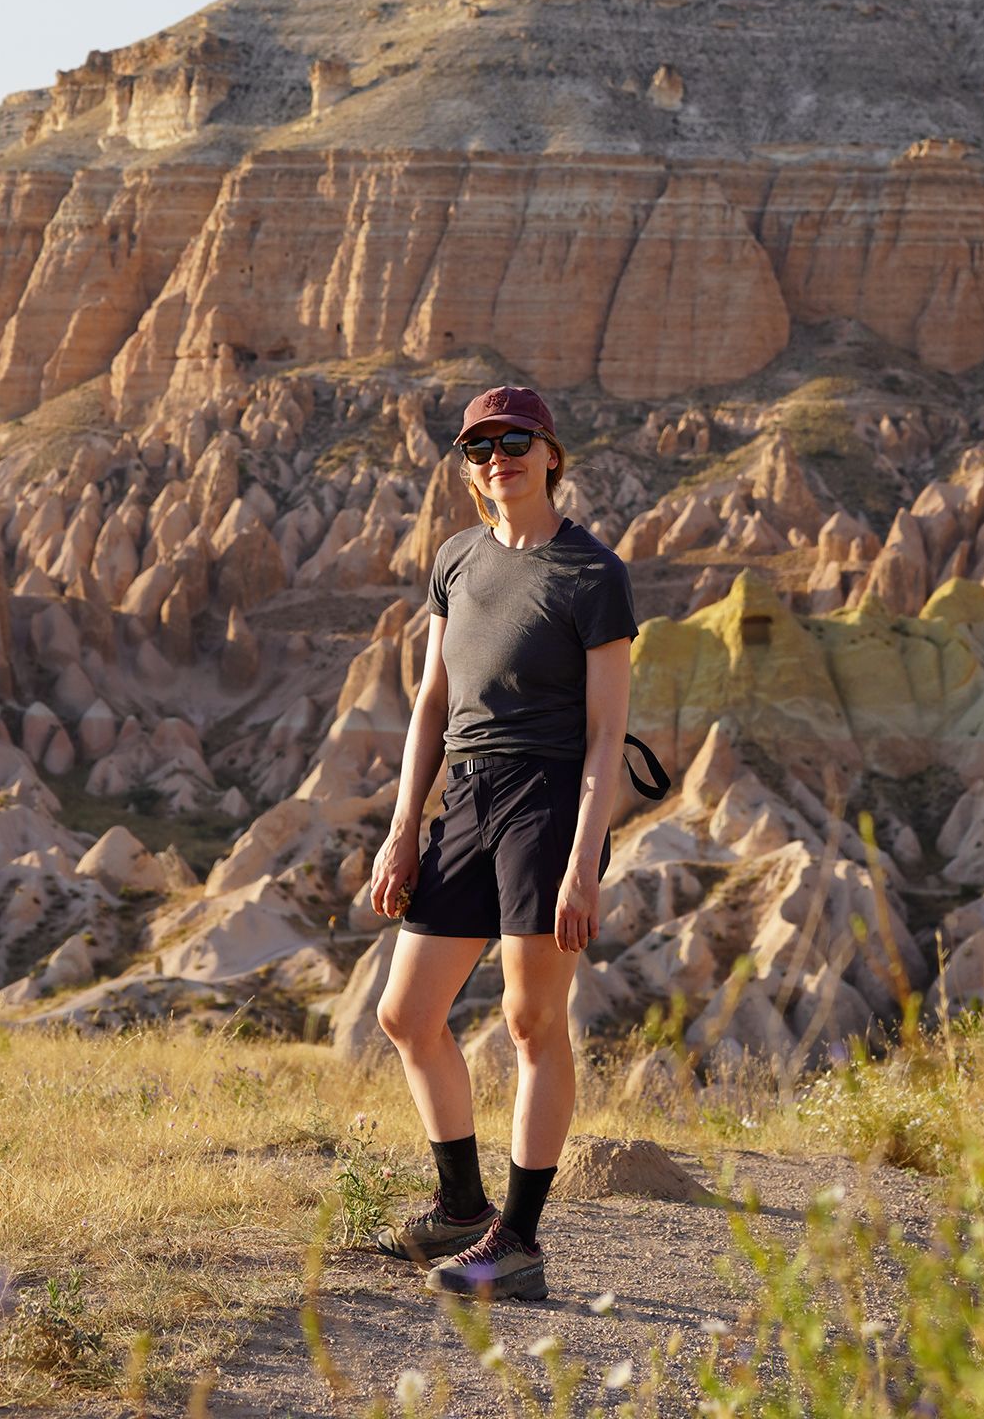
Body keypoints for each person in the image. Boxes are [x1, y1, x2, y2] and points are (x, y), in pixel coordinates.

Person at [369, 384, 638, 1303]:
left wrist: (581, 860)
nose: (497, 458)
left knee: (531, 1023)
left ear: (551, 454)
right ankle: (458, 1209)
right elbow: (433, 707)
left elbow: (607, 736)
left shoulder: (593, 575)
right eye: (479, 447)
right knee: (406, 1014)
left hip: (551, 802)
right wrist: (404, 829)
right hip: (468, 799)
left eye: (515, 441)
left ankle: (517, 1243)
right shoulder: (456, 558)